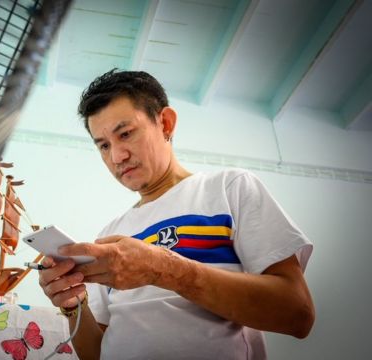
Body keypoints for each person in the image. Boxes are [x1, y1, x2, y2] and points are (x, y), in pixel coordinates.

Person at [37, 69, 315, 359]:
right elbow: (95, 354)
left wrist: (163, 268)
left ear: (166, 124)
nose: (117, 156)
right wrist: (73, 303)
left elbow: (297, 313)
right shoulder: (109, 234)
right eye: (104, 145)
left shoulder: (229, 188)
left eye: (126, 134)